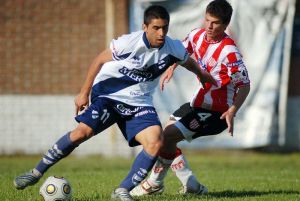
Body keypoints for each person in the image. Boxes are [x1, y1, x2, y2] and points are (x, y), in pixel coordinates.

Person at [13, 5, 216, 201]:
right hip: (110, 95)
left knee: (155, 141)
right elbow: (99, 60)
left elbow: (186, 60)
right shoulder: (128, 43)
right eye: (156, 28)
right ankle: (36, 172)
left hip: (139, 101)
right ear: (145, 27)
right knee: (82, 133)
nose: (161, 33)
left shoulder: (173, 48)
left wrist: (202, 74)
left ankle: (122, 190)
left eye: (164, 27)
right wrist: (83, 93)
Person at [130, 0, 251, 197]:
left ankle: (153, 183)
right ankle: (191, 184)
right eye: (207, 20)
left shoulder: (230, 53)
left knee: (166, 136)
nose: (209, 26)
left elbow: (244, 85)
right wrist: (171, 68)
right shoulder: (197, 34)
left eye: (215, 23)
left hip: (216, 113)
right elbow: (182, 52)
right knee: (166, 137)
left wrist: (233, 110)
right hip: (197, 104)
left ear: (226, 24)